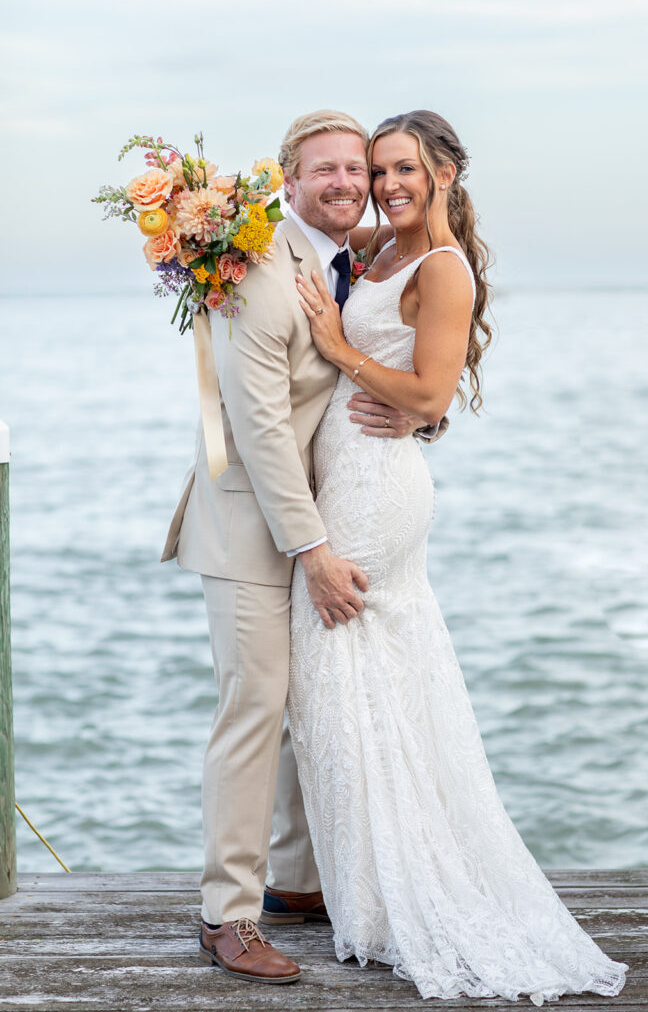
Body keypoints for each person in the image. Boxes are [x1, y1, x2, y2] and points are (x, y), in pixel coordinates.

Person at [288, 109, 629, 1005]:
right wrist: (197, 226)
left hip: (373, 488)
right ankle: (359, 885)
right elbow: (303, 215)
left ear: (443, 172)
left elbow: (431, 389)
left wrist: (336, 350)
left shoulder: (441, 269)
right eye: (377, 170)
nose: (386, 184)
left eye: (403, 169)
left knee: (344, 670)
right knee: (356, 686)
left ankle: (389, 894)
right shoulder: (379, 245)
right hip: (349, 472)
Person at [161, 109, 446, 984]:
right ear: (286, 181)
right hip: (253, 524)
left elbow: (392, 360)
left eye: (355, 172)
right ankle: (227, 916)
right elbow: (255, 426)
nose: (346, 185)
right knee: (253, 714)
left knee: (302, 705)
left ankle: (295, 881)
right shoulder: (255, 274)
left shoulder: (341, 258)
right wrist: (313, 548)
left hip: (314, 515)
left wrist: (419, 414)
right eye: (324, 171)